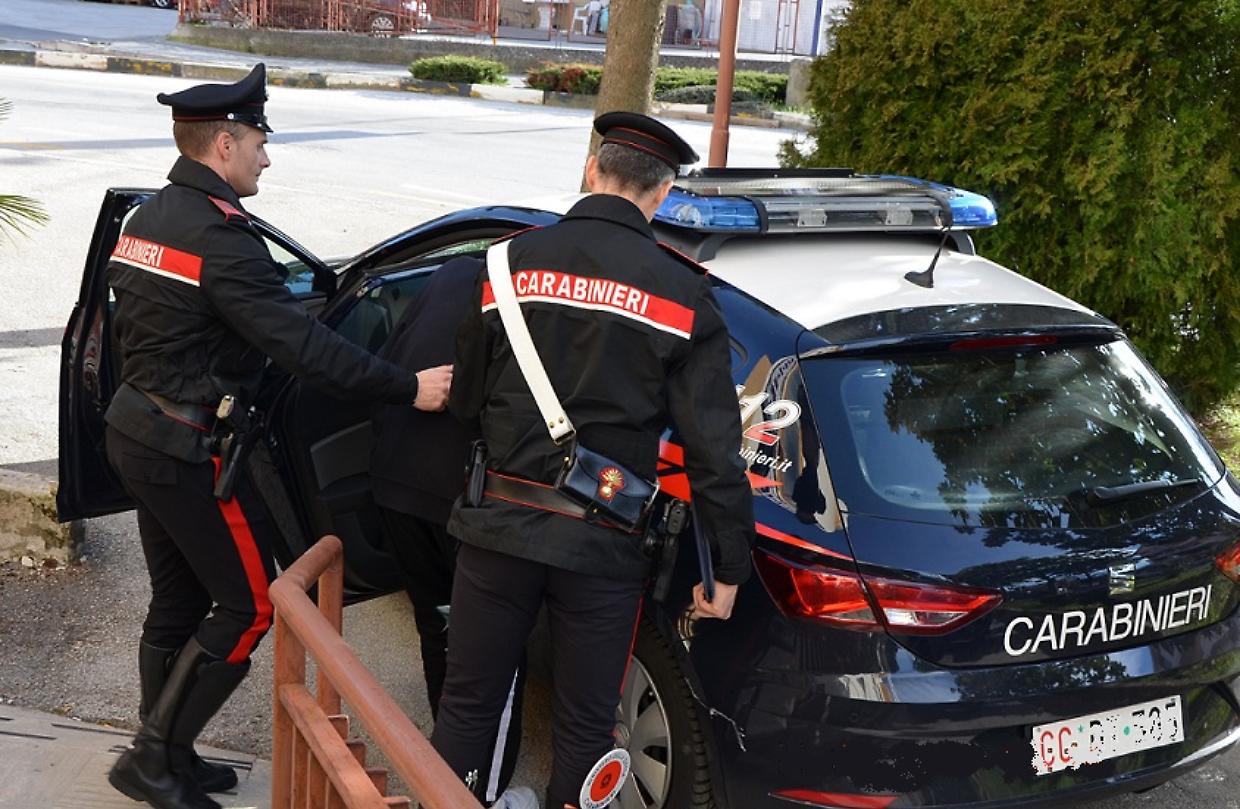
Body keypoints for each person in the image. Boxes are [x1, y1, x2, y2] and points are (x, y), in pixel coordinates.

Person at [103, 64, 452, 809]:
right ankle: (154, 758)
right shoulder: (222, 242)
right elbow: (307, 350)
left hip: (136, 432)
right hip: (186, 449)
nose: (266, 155)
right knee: (250, 606)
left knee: (176, 603)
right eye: (260, 140)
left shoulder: (152, 218)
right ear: (224, 143)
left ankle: (168, 748)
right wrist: (407, 385)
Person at [432, 111, 755, 809]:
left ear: (591, 169)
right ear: (662, 194)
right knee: (585, 726)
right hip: (604, 545)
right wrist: (727, 567)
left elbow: (466, 402)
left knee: (468, 704)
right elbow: (713, 453)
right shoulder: (684, 294)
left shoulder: (504, 264)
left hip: (499, 525)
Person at [368, 259, 526, 802]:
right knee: (494, 647)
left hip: (398, 477)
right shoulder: (540, 286)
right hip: (471, 491)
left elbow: (391, 352)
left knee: (438, 623)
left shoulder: (455, 272)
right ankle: (481, 789)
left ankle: (447, 764)